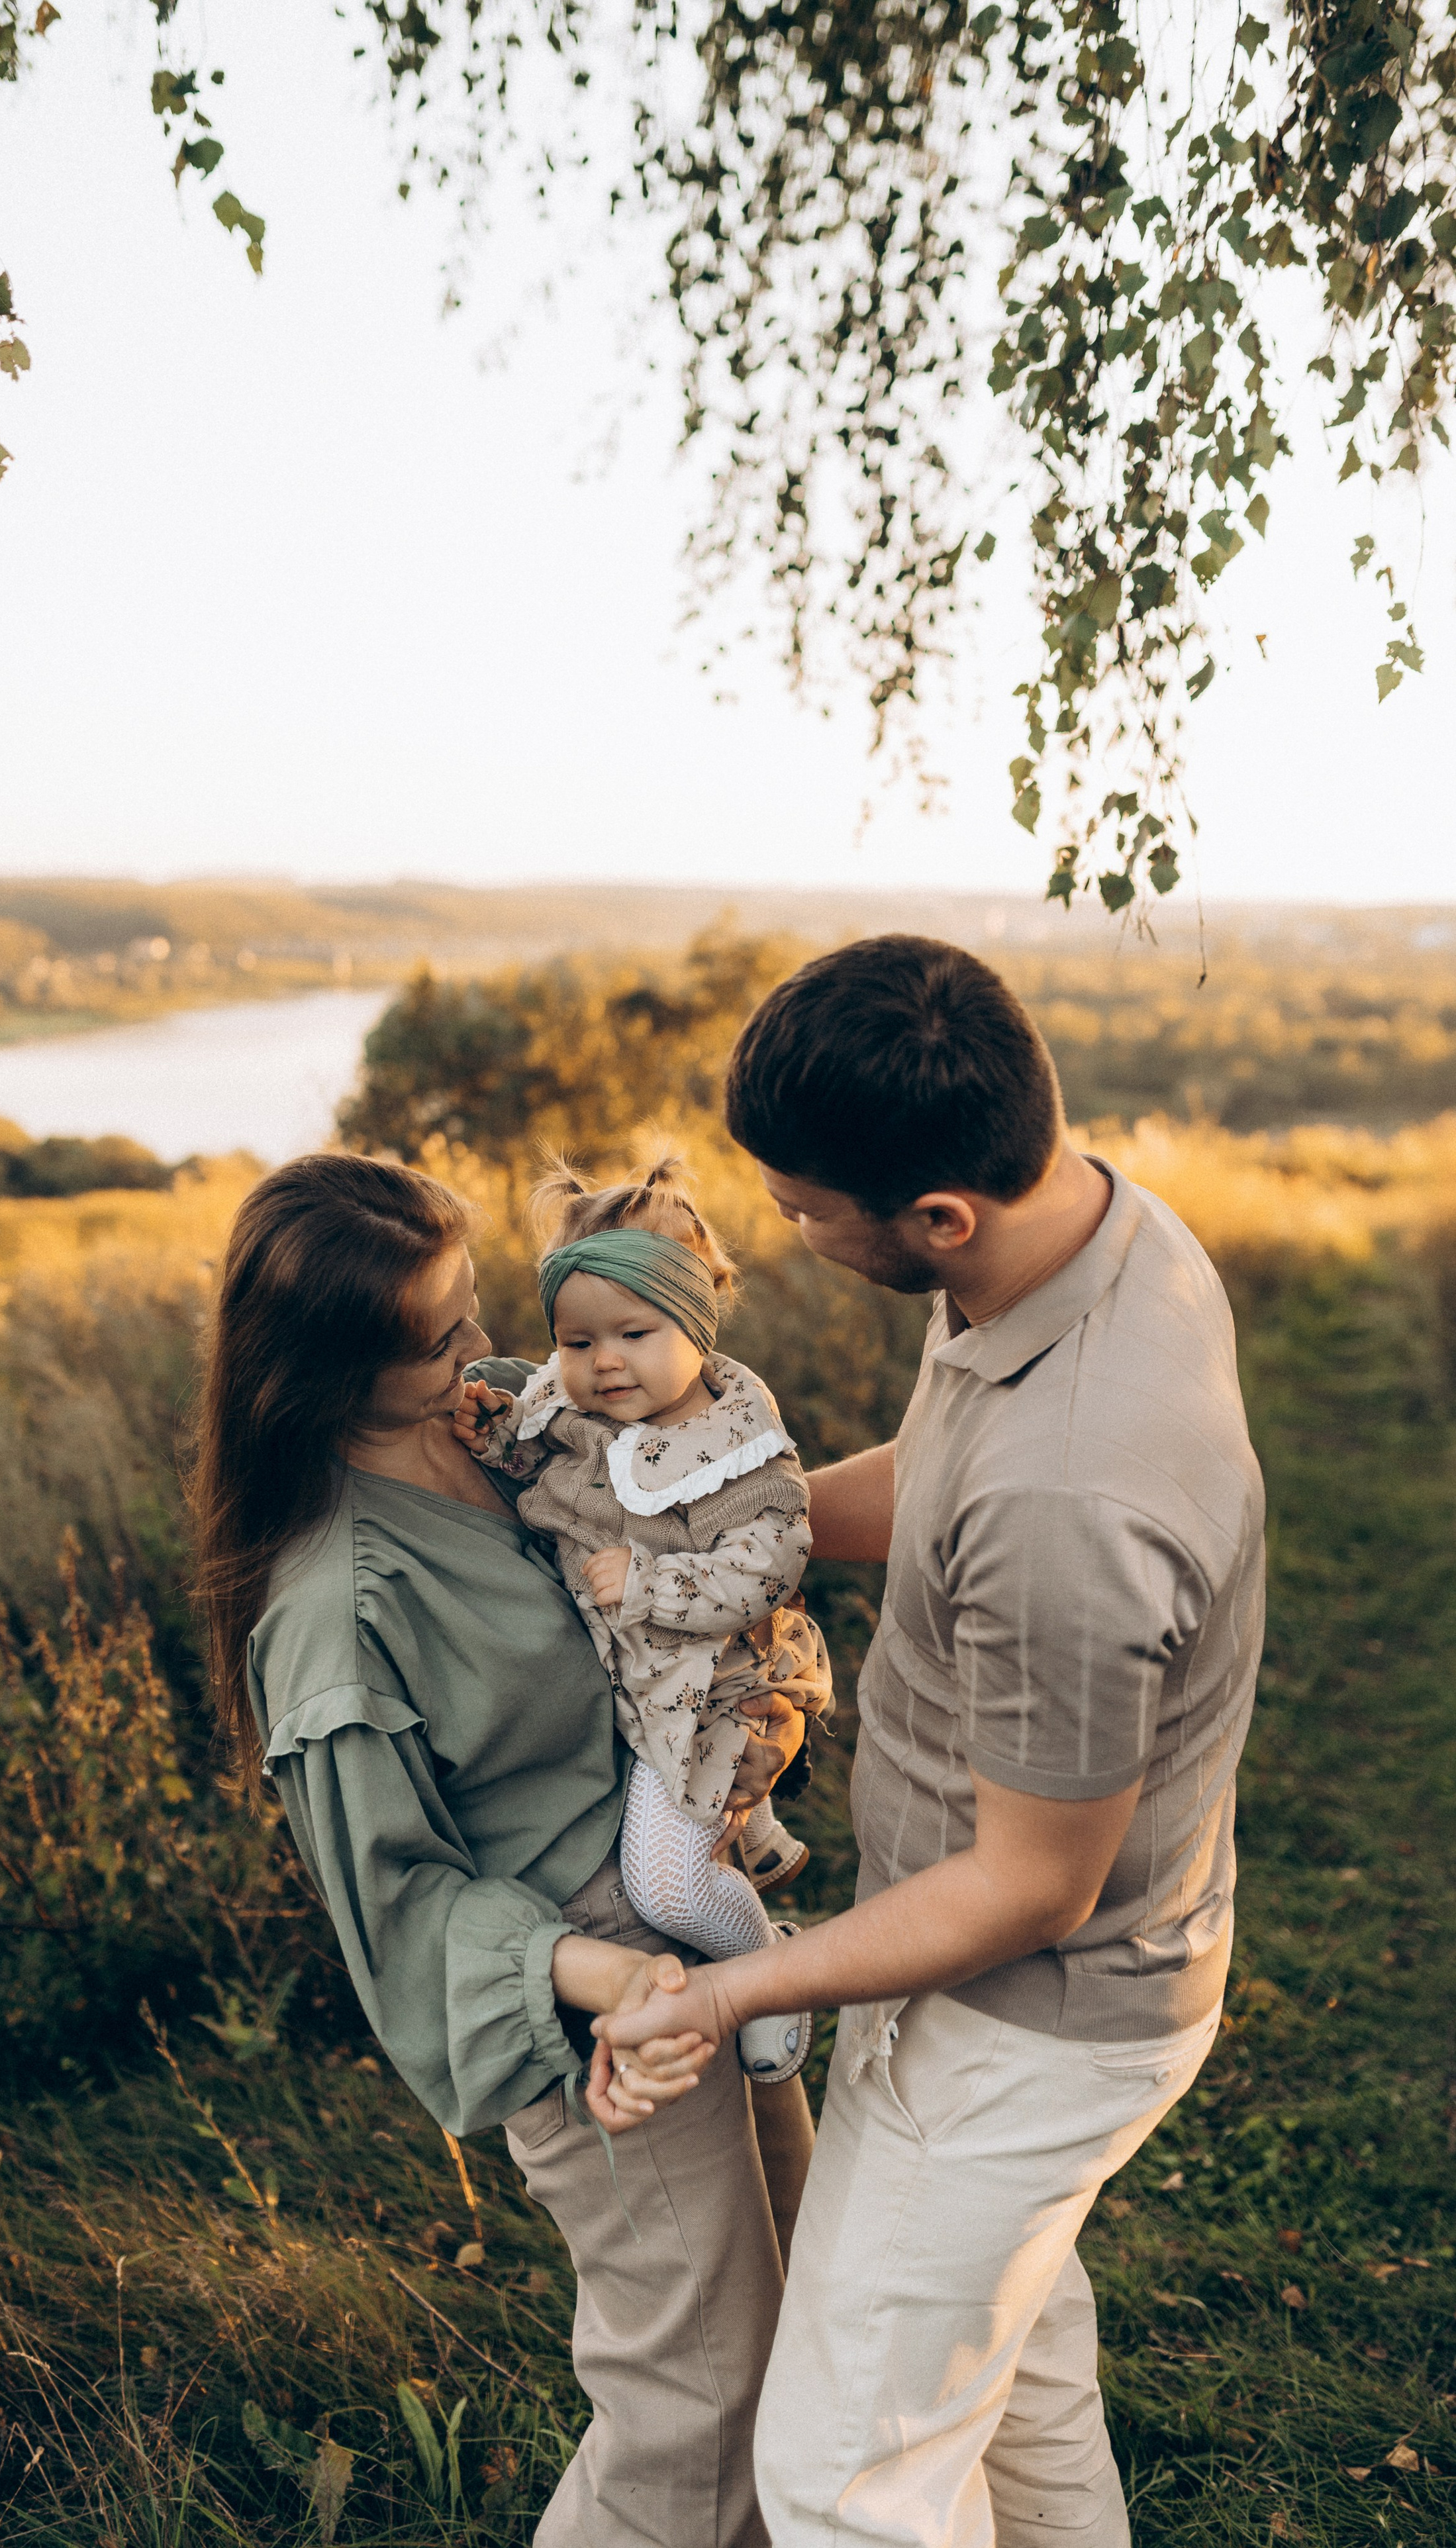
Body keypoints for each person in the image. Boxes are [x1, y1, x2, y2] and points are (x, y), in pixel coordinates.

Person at [601, 935, 1266, 2547]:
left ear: (936, 1217)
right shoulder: (1083, 1232)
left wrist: (736, 1980)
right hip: (1005, 1979)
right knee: (1014, 2386)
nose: (782, 1228)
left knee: (846, 2477)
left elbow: (1030, 1885)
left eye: (805, 1208)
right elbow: (950, 1461)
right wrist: (714, 1534)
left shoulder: (1073, 1495)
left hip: (1024, 2016)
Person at [187, 1149, 816, 2548]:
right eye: (441, 1332)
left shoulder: (488, 1420)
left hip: (689, 1910)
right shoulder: (335, 1607)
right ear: (332, 1372)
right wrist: (619, 1981)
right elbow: (401, 1913)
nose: (485, 1342)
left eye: (473, 1301)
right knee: (695, 2401)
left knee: (803, 2329)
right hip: (599, 2000)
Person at [452, 1155, 830, 2086]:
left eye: (633, 1332)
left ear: (696, 1322)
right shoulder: (577, 1401)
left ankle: (768, 1974)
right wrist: (493, 1430)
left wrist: (655, 1582)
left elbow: (772, 1562)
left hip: (707, 1693)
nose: (602, 1362)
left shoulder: (733, 1444)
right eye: (576, 1342)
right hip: (633, 1683)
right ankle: (748, 1845)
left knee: (666, 1886)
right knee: (680, 1851)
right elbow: (542, 1460)